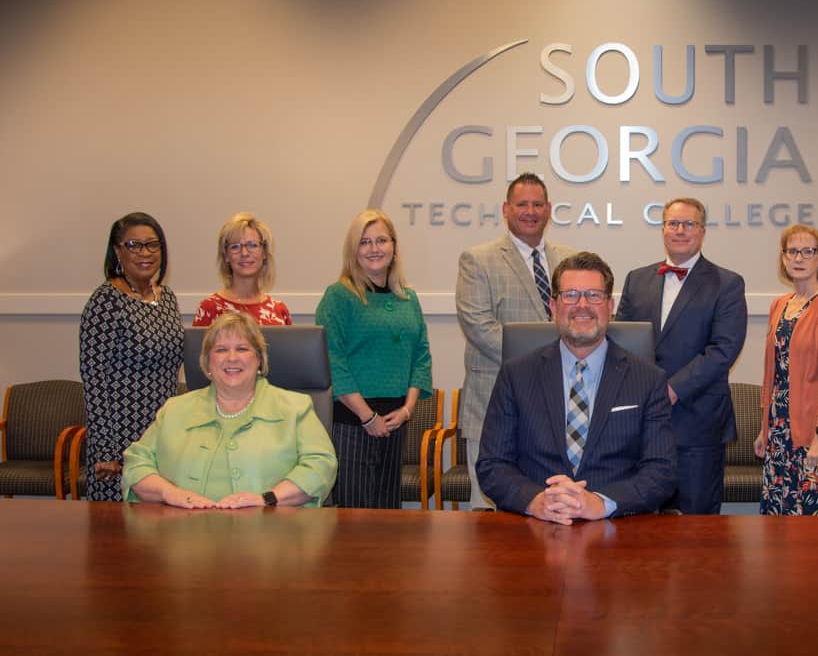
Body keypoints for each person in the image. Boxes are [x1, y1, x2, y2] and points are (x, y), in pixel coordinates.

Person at [477, 252, 676, 524]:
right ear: (553, 306)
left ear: (610, 305)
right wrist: (536, 501)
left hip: (617, 531)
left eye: (594, 295)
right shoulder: (516, 375)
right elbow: (493, 465)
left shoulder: (648, 379)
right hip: (534, 530)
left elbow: (661, 471)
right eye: (570, 295)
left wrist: (601, 503)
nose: (582, 305)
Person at [121, 312, 336, 508]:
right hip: (184, 536)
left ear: (259, 359)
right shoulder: (174, 409)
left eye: (242, 349)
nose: (232, 358)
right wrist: (169, 493)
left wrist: (268, 498)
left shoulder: (295, 408)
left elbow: (321, 465)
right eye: (221, 350)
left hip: (269, 536)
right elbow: (136, 464)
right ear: (207, 362)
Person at [614, 197, 746, 514]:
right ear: (663, 230)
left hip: (697, 425)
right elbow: (622, 342)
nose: (680, 231)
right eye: (673, 224)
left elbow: (722, 350)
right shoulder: (637, 279)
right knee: (641, 528)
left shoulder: (727, 283)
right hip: (641, 425)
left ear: (702, 231)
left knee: (696, 529)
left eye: (689, 224)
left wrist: (673, 389)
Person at [456, 173, 577, 510]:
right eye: (522, 204)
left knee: (549, 508)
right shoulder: (477, 259)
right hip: (494, 402)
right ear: (505, 209)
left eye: (538, 204)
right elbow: (480, 327)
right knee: (492, 513)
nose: (530, 211)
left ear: (549, 209)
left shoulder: (570, 260)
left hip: (558, 410)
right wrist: (543, 363)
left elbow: (577, 323)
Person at [315, 209, 433, 509]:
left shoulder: (408, 298)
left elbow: (421, 355)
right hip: (352, 423)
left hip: (396, 421)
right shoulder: (338, 296)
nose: (375, 248)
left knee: (388, 516)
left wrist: (407, 410)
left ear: (394, 247)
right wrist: (367, 416)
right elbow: (333, 360)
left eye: (382, 240)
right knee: (356, 521)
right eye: (365, 242)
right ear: (353, 250)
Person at [79, 212, 184, 501]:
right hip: (121, 441)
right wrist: (105, 451)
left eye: (153, 244)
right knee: (119, 537)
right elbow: (94, 382)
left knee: (159, 532)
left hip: (162, 437)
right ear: (117, 251)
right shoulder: (105, 302)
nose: (145, 253)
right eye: (134, 245)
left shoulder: (168, 298)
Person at [755, 225, 818, 515]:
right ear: (783, 258)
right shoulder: (779, 305)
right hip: (779, 429)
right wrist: (764, 429)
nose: (799, 258)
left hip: (814, 431)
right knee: (778, 517)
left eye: (808, 251)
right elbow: (772, 373)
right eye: (792, 251)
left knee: (811, 524)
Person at [193, 212, 292, 326]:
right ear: (226, 255)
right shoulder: (209, 308)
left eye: (253, 245)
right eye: (235, 246)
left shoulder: (278, 310)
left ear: (264, 252)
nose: (244, 253)